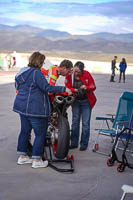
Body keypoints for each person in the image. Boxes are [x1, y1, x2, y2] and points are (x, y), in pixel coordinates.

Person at [13, 52, 70, 169]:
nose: (43, 64)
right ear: (39, 61)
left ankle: (22, 157)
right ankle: (36, 159)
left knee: (25, 131)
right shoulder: (36, 73)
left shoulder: (23, 71)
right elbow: (47, 88)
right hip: (34, 109)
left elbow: (17, 86)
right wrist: (64, 89)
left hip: (21, 107)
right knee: (40, 134)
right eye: (42, 62)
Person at [65, 61, 97, 151]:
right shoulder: (69, 75)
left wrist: (87, 87)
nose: (76, 73)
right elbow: (66, 86)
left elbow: (93, 86)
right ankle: (74, 143)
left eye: (78, 72)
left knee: (85, 123)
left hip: (86, 102)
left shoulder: (87, 74)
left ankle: (84, 144)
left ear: (82, 71)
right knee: (75, 122)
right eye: (75, 71)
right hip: (76, 101)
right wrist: (73, 89)